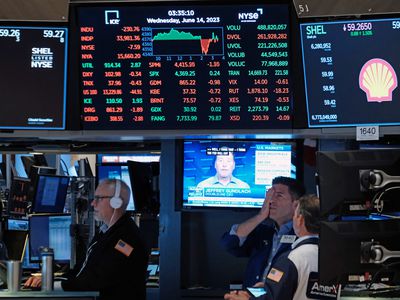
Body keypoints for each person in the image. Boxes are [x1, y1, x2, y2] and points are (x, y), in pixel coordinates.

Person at [24, 179, 149, 300]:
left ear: (116, 202)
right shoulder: (105, 232)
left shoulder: (127, 238)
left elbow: (97, 280)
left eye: (99, 198)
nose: (93, 203)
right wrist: (48, 281)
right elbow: (81, 271)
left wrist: (52, 286)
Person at [224, 194, 334, 300]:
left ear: (299, 219)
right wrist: (273, 286)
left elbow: (272, 298)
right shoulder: (333, 255)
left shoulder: (291, 258)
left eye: (295, 215)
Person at [220, 176, 305, 288]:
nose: (271, 201)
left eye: (279, 195)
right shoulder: (263, 231)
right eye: (270, 195)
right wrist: (260, 216)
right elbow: (229, 244)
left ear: (296, 205)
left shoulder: (303, 235)